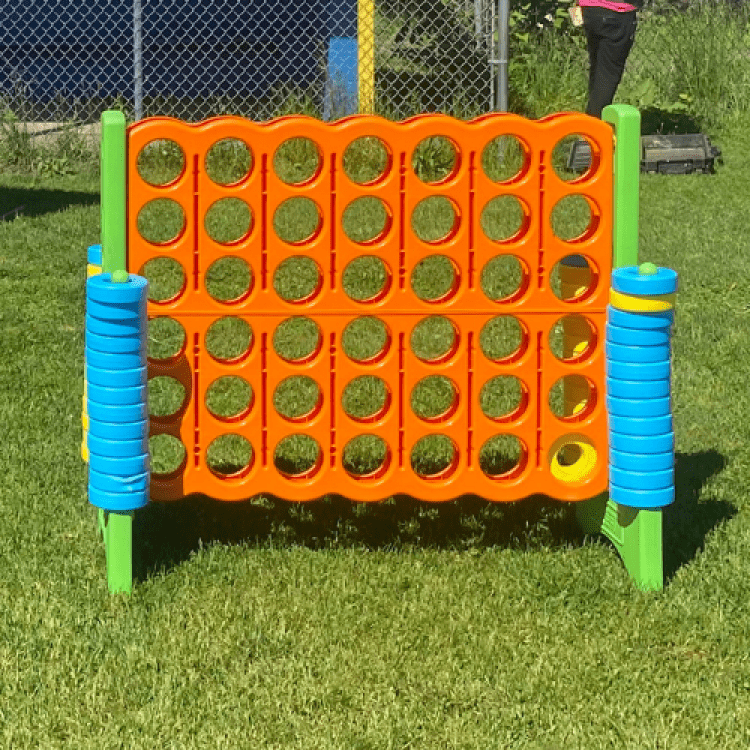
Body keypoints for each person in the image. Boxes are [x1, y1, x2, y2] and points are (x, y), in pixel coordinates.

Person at [579, 0, 643, 118]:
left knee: (598, 69)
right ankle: (593, 128)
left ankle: (589, 123)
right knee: (607, 75)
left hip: (590, 10)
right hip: (617, 12)